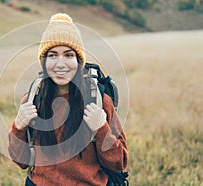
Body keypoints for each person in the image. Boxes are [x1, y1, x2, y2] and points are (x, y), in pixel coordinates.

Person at [8, 13, 128, 185]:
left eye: (69, 55)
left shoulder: (99, 101)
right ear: (43, 61)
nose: (61, 63)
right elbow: (22, 162)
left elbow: (119, 163)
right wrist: (18, 127)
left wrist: (101, 128)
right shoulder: (32, 100)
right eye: (52, 55)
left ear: (79, 60)